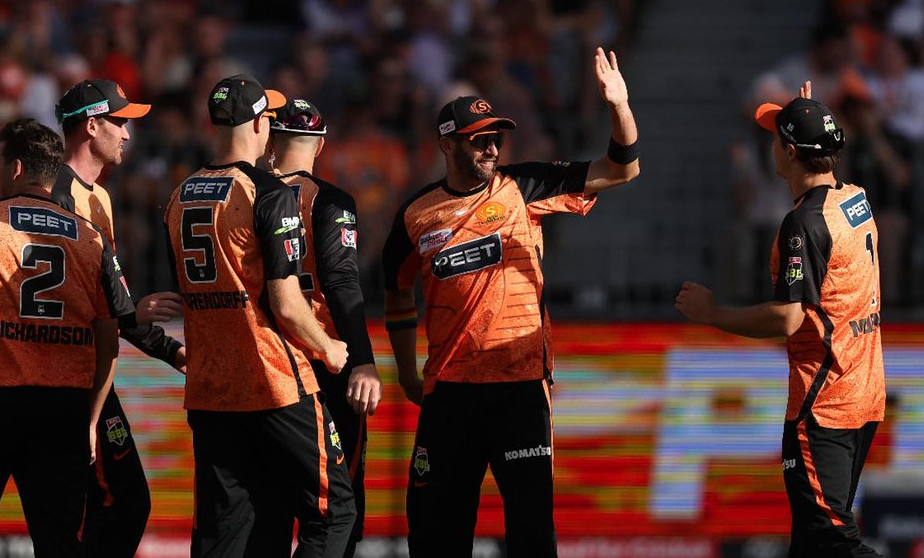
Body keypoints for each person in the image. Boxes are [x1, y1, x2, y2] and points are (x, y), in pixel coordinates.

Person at [382, 48, 640, 558]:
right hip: (449, 391)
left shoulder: (525, 186)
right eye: (479, 140)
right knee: (434, 534)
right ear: (446, 144)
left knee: (530, 533)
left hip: (519, 389)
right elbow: (394, 289)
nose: (491, 148)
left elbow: (622, 170)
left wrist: (619, 107)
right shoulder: (416, 215)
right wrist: (408, 374)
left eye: (496, 138)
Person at [676, 86, 885, 558]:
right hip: (863, 392)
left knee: (832, 540)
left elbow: (789, 316)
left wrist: (713, 315)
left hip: (824, 405)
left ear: (789, 152)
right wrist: (809, 117)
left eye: (777, 137)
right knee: (813, 543)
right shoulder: (855, 199)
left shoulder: (804, 225)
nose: (770, 145)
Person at [164, 75, 355, 558]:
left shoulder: (180, 194)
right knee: (334, 511)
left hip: (209, 388)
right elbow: (287, 303)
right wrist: (328, 347)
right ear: (256, 123)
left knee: (226, 529)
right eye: (268, 117)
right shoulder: (267, 191)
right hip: (273, 379)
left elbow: (187, 294)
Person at [0, 119, 129, 557]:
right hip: (63, 410)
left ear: (15, 168)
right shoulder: (91, 237)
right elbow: (109, 341)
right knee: (60, 543)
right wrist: (90, 421)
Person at [49, 78, 187, 556]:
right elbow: (80, 302)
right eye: (120, 122)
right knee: (115, 501)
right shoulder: (56, 195)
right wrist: (130, 313)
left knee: (113, 502)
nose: (128, 134)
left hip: (90, 374)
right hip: (64, 379)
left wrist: (171, 350)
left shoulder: (99, 197)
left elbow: (116, 303)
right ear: (91, 126)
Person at [246, 98, 382, 558]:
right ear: (320, 145)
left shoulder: (245, 194)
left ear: (270, 142)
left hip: (260, 362)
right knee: (337, 502)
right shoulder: (331, 201)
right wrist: (362, 360)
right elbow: (342, 281)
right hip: (325, 360)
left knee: (264, 505)